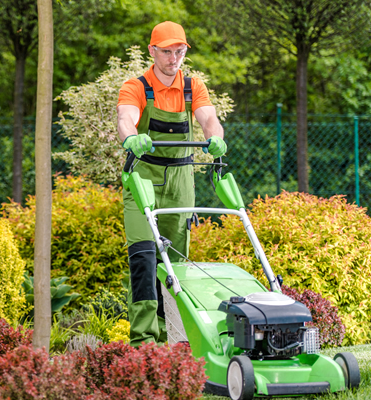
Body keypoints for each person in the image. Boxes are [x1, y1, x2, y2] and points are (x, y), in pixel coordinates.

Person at [116, 21, 226, 347]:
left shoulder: (193, 87)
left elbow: (208, 119)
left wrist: (216, 138)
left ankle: (174, 340)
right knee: (144, 257)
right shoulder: (135, 86)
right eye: (167, 52)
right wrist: (132, 138)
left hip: (181, 183)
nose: (174, 58)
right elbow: (125, 118)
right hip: (142, 182)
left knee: (176, 266)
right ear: (152, 51)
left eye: (179, 51)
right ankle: (143, 343)